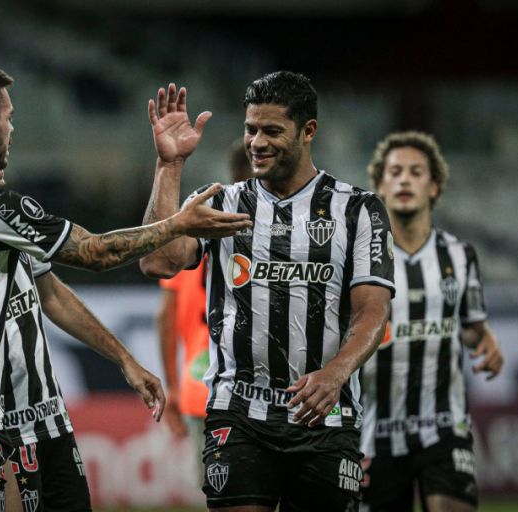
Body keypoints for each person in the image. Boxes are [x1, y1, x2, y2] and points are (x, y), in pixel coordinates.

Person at [0, 62, 252, 511]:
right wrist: (178, 223)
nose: (12, 128)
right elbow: (96, 252)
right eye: (8, 117)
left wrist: (124, 358)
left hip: (4, 413)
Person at [139, 72, 394, 511]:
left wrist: (336, 373)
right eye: (250, 129)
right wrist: (169, 167)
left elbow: (373, 310)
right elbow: (157, 261)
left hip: (325, 414)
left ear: (308, 131)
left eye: (272, 130)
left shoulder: (357, 209)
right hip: (238, 411)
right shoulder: (219, 203)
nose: (257, 142)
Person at [359, 131, 504, 512]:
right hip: (375, 433)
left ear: (435, 186)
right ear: (379, 186)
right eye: (395, 171)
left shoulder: (460, 255)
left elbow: (471, 325)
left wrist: (485, 339)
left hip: (444, 425)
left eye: (416, 172)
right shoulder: (358, 260)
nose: (405, 179)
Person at [156, 139, 253, 483]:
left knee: (224, 495)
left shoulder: (201, 235)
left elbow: (165, 317)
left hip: (204, 381)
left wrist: (172, 387)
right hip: (251, 386)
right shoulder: (273, 237)